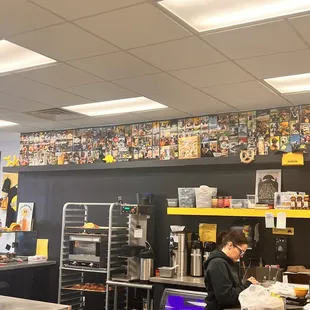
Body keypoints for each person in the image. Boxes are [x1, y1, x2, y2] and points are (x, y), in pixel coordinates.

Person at [203, 230, 258, 310]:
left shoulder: (231, 262)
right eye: (241, 252)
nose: (241, 256)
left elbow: (235, 289)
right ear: (230, 245)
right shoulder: (218, 264)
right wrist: (247, 285)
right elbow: (226, 298)